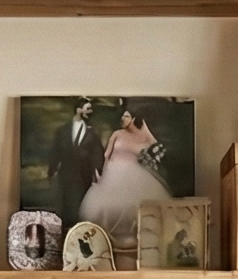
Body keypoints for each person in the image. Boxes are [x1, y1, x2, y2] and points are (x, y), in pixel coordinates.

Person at [80, 107, 171, 263]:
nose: (123, 119)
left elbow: (156, 146)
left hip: (137, 175)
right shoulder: (117, 134)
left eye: (126, 116)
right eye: (122, 117)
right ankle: (109, 243)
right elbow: (107, 155)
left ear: (134, 118)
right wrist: (102, 173)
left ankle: (135, 243)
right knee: (108, 206)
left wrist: (150, 155)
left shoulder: (143, 135)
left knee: (138, 205)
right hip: (114, 173)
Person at [46, 99, 106, 222]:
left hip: (84, 176)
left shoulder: (92, 133)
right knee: (65, 205)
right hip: (66, 175)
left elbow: (97, 153)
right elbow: (56, 151)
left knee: (80, 207)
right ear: (79, 110)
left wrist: (97, 171)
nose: (90, 111)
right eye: (87, 108)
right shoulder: (63, 131)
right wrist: (52, 170)